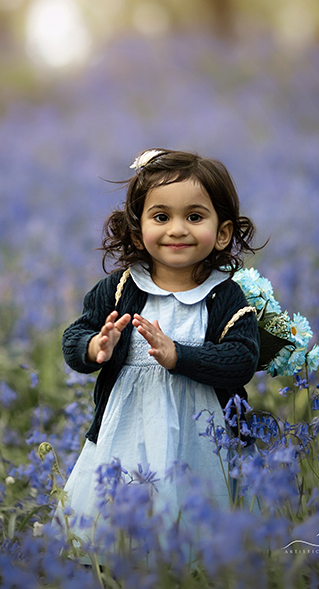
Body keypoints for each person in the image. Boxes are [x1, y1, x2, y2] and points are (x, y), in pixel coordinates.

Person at [58, 148, 262, 549]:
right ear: (138, 232)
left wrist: (179, 356)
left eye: (195, 216)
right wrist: (95, 346)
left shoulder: (224, 296)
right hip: (127, 429)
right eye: (161, 217)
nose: (177, 229)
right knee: (119, 513)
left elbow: (242, 360)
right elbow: (73, 337)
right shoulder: (120, 288)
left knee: (197, 517)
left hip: (203, 435)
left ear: (222, 232)